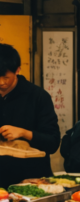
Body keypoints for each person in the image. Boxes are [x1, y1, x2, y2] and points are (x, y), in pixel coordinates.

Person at [0, 44, 60, 188]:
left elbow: (53, 142)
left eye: (5, 77)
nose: (1, 82)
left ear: (18, 70)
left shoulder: (37, 97)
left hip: (31, 183)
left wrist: (23, 133)